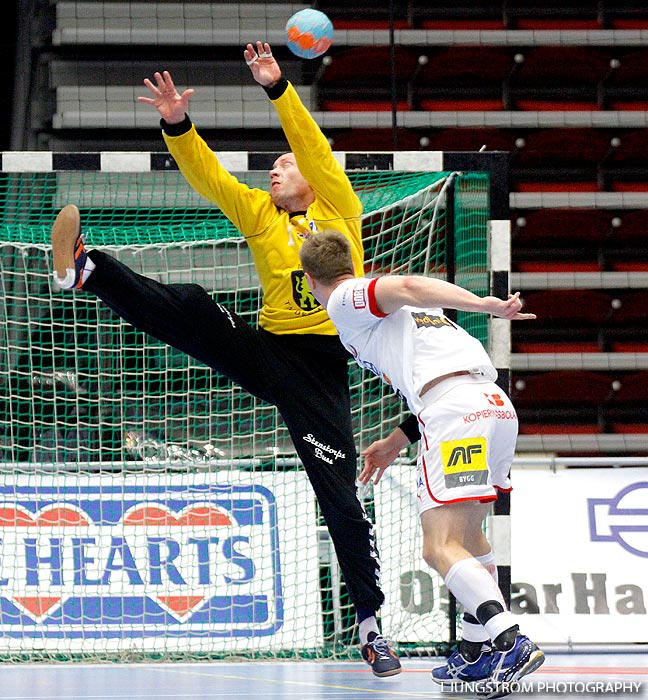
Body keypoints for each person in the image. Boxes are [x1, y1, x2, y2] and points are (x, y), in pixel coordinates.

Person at [50, 41, 401, 677]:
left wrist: (277, 88)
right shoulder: (260, 214)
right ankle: (88, 269)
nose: (275, 170)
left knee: (338, 494)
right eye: (272, 166)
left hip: (320, 368)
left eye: (284, 166)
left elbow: (314, 147)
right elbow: (209, 175)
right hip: (265, 348)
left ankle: (371, 624)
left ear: (312, 180)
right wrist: (176, 123)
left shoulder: (340, 210)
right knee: (188, 303)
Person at [299, 229, 544, 698]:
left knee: (439, 547)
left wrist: (486, 306)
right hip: (491, 406)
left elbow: (407, 284)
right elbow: (428, 367)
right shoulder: (410, 319)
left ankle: (510, 638)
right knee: (469, 539)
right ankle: (475, 654)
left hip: (455, 412)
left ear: (311, 280)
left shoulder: (345, 298)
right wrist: (396, 440)